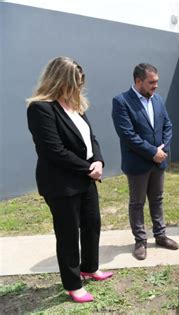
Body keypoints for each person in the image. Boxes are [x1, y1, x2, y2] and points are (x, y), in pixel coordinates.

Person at [26, 57, 113, 303]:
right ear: (60, 81)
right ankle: (73, 284)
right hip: (61, 183)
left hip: (86, 177)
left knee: (92, 224)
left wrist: (98, 160)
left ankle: (90, 267)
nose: (79, 88)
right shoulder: (40, 108)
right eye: (75, 82)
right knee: (67, 234)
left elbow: (91, 138)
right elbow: (52, 150)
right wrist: (88, 168)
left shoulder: (76, 106)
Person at [112, 63, 178, 261]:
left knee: (157, 200)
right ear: (138, 81)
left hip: (159, 162)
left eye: (157, 82)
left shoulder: (157, 99)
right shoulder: (121, 101)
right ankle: (140, 240)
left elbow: (167, 125)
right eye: (151, 82)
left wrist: (162, 149)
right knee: (137, 203)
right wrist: (152, 153)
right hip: (138, 164)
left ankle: (160, 235)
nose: (156, 86)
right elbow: (127, 135)